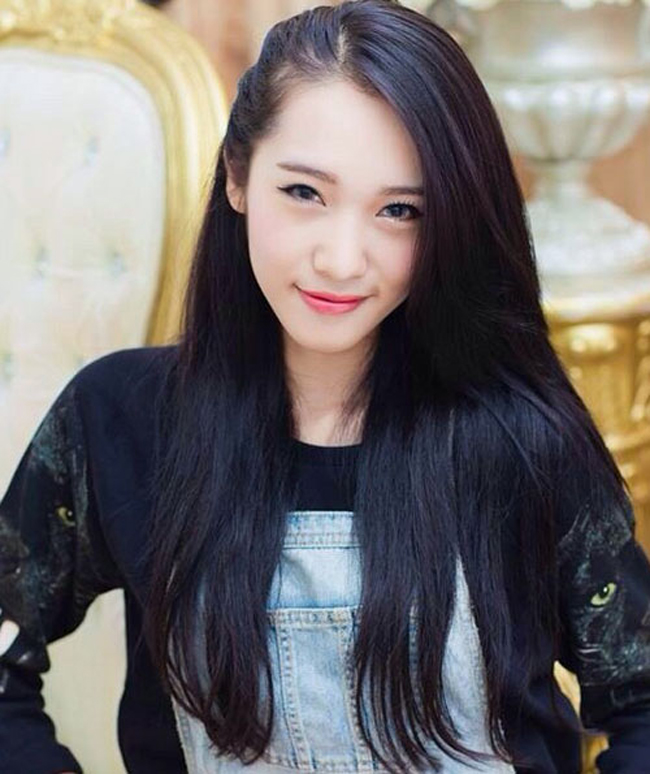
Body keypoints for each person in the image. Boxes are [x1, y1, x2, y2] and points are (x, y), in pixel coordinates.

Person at [1, 0, 650, 771]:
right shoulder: (122, 418)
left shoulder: (521, 437)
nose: (342, 260)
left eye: (399, 210)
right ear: (238, 177)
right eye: (305, 193)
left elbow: (640, 702)